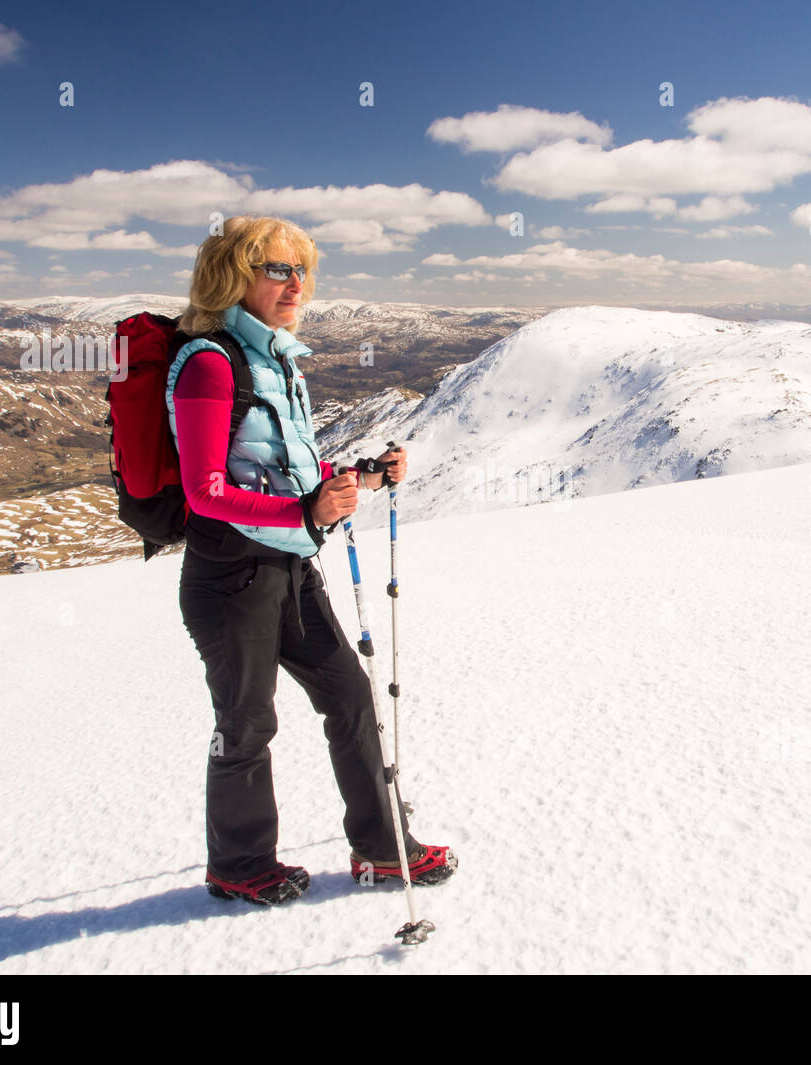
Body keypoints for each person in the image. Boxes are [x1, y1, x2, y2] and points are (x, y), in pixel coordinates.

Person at [168, 214, 455, 905]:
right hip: (231, 574)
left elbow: (290, 467)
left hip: (289, 566)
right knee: (246, 722)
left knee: (350, 696)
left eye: (302, 270)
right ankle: (238, 864)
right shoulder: (211, 362)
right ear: (236, 275)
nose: (296, 283)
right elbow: (206, 492)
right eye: (277, 268)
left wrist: (359, 476)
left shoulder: (274, 359)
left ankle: (384, 849)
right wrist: (303, 513)